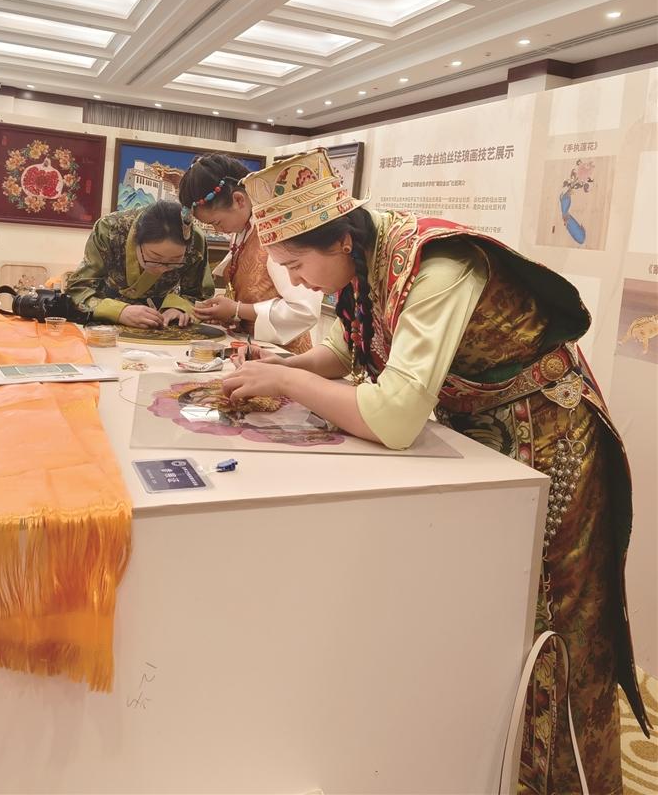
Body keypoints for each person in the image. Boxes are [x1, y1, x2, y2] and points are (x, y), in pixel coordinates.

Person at [222, 148, 649, 795]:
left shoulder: (438, 265)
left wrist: (285, 380)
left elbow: (394, 418)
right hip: (481, 436)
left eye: (298, 265)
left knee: (557, 622)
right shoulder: (360, 263)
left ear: (339, 238)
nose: (299, 283)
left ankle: (566, 780)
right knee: (488, 614)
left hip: (551, 435)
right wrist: (276, 366)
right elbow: (341, 350)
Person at [178, 154, 321, 353]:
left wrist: (237, 309)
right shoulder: (242, 231)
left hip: (284, 355)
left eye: (217, 222)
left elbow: (303, 311)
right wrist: (230, 314)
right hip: (251, 348)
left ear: (239, 200)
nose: (218, 231)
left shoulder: (277, 233)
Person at [66, 199, 214, 327]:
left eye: (174, 261)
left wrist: (179, 308)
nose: (162, 270)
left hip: (164, 320)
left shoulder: (195, 238)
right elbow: (77, 290)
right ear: (134, 240)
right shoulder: (110, 229)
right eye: (154, 258)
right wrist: (119, 311)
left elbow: (200, 295)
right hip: (108, 320)